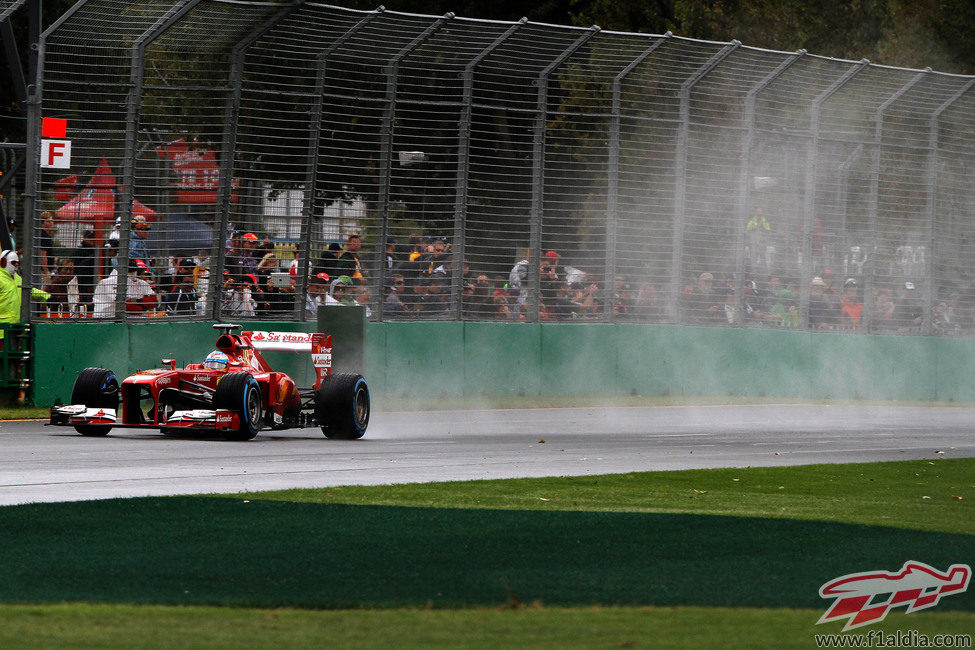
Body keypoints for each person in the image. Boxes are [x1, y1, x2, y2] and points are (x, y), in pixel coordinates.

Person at [0, 250, 50, 348]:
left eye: (17, 263)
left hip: (15, 328)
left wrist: (48, 297)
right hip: (2, 330)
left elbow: (29, 290)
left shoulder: (17, 278)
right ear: (3, 262)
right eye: (13, 263)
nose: (16, 265)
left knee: (12, 359)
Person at [72, 227, 99, 311]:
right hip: (82, 281)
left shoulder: (97, 251)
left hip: (93, 280)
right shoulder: (79, 251)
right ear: (85, 238)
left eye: (93, 238)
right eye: (89, 238)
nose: (92, 240)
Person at [38, 212, 56, 282]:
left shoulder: (44, 234)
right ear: (42, 223)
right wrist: (46, 271)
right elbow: (43, 255)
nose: (51, 223)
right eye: (48, 221)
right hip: (43, 271)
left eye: (52, 221)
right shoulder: (43, 235)